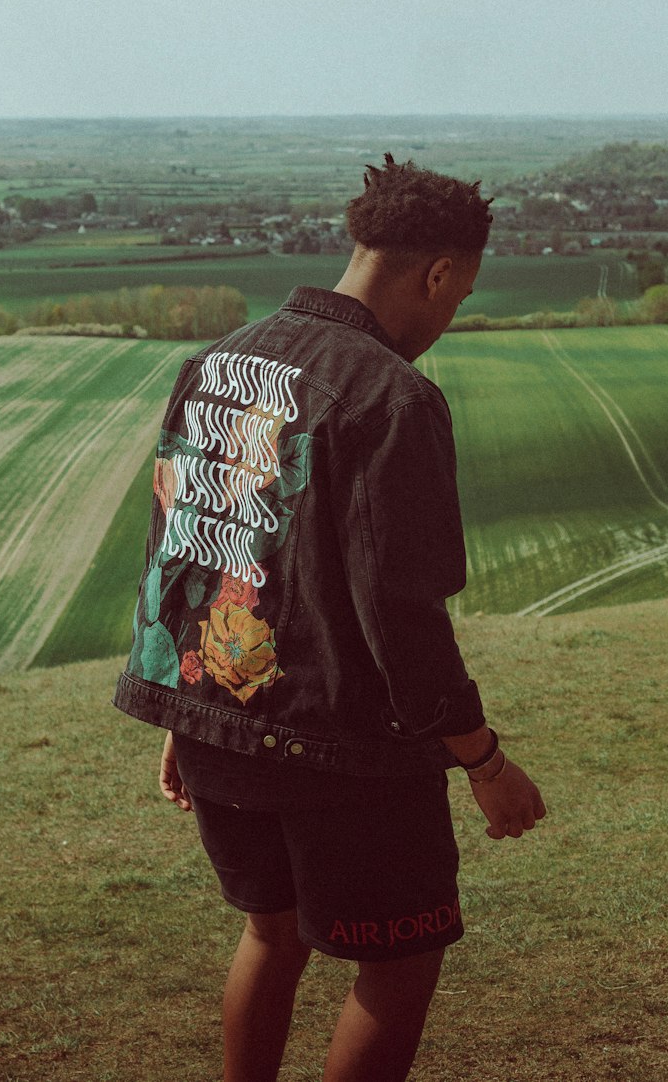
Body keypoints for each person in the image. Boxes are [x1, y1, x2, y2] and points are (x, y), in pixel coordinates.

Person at [113, 154, 546, 1082]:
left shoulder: (218, 361)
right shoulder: (395, 400)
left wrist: (190, 708)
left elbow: (183, 543)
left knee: (270, 934)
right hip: (339, 748)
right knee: (397, 966)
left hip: (215, 715)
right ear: (437, 273)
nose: (450, 315)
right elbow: (403, 617)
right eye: (459, 296)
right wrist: (486, 761)